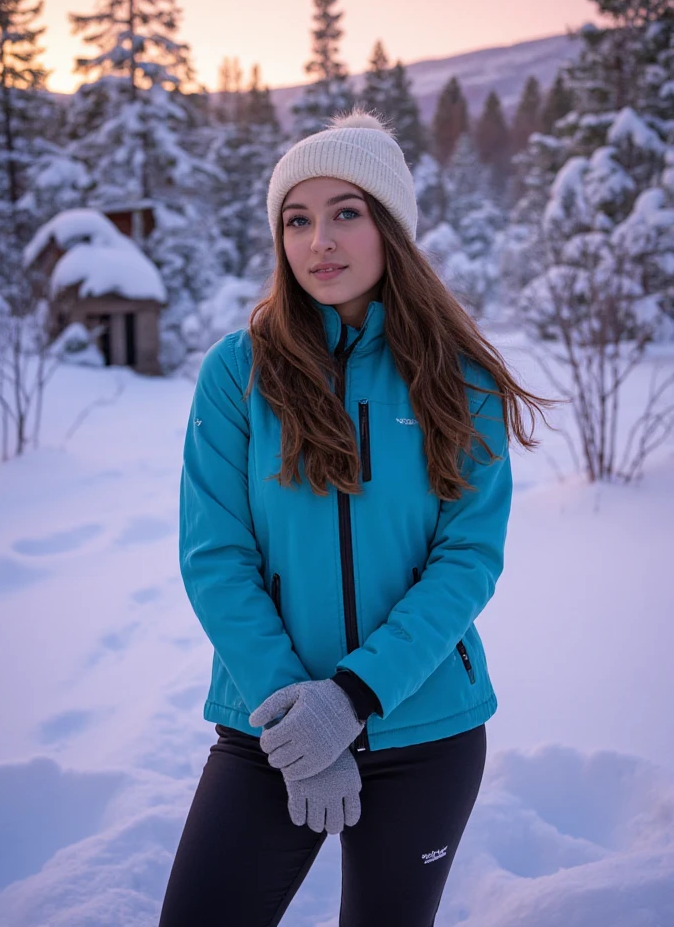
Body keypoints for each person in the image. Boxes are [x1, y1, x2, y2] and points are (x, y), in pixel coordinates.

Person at [158, 107, 555, 927]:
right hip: (267, 731)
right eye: (297, 219)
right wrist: (298, 719)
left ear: (392, 231)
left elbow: (466, 559)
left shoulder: (460, 379)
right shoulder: (240, 372)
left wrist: (354, 698)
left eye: (347, 212)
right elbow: (216, 556)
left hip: (424, 731)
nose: (319, 242)